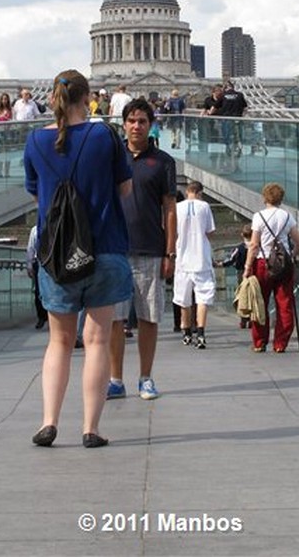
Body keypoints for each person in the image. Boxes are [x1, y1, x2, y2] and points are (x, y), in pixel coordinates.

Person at [23, 69, 133, 448]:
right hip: (104, 247)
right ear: (89, 99)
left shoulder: (35, 141)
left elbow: (39, 197)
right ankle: (90, 428)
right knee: (98, 340)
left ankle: (49, 422)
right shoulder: (106, 136)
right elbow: (125, 187)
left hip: (57, 254)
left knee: (59, 341)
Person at [108, 97, 177, 401]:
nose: (137, 126)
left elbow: (170, 210)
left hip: (150, 247)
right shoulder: (110, 157)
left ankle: (146, 377)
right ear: (123, 124)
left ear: (151, 125)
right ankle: (115, 379)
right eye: (132, 120)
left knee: (149, 317)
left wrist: (170, 252)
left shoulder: (163, 162)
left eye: (143, 121)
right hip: (114, 248)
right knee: (114, 319)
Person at [243, 182, 299, 353]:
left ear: (265, 197)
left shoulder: (258, 217)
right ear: (281, 198)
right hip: (283, 264)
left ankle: (260, 342)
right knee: (284, 303)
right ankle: (280, 343)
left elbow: (254, 244)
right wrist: (291, 255)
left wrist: (248, 267)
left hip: (262, 263)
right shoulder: (287, 217)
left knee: (259, 302)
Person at [173, 181, 215, 349]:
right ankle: (201, 332)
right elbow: (210, 231)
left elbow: (173, 231)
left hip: (182, 259)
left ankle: (186, 332)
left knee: (184, 299)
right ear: (199, 192)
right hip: (201, 258)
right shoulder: (204, 206)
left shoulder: (178, 207)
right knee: (202, 298)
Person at [220, 224, 253, 328]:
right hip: (254, 272)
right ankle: (253, 318)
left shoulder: (239, 248)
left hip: (241, 273)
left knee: (242, 295)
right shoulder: (256, 246)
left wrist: (221, 264)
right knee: (253, 295)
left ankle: (243, 319)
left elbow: (231, 259)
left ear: (242, 235)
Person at [25, 224, 48, 330]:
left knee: (51, 291)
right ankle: (41, 317)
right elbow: (30, 248)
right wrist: (29, 265)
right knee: (39, 292)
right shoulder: (35, 229)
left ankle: (50, 318)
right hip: (38, 262)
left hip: (51, 260)